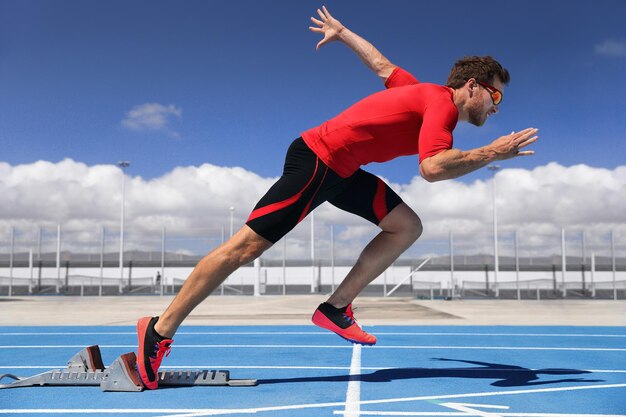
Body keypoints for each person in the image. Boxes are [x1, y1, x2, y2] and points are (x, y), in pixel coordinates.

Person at [136, 6, 539, 389]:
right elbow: (432, 168)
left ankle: (334, 308)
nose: (495, 107)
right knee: (243, 250)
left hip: (343, 171)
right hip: (318, 159)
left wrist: (343, 33)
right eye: (495, 96)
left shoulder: (418, 92)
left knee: (406, 226)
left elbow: (382, 65)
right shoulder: (441, 106)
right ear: (472, 86)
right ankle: (157, 331)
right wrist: (492, 153)